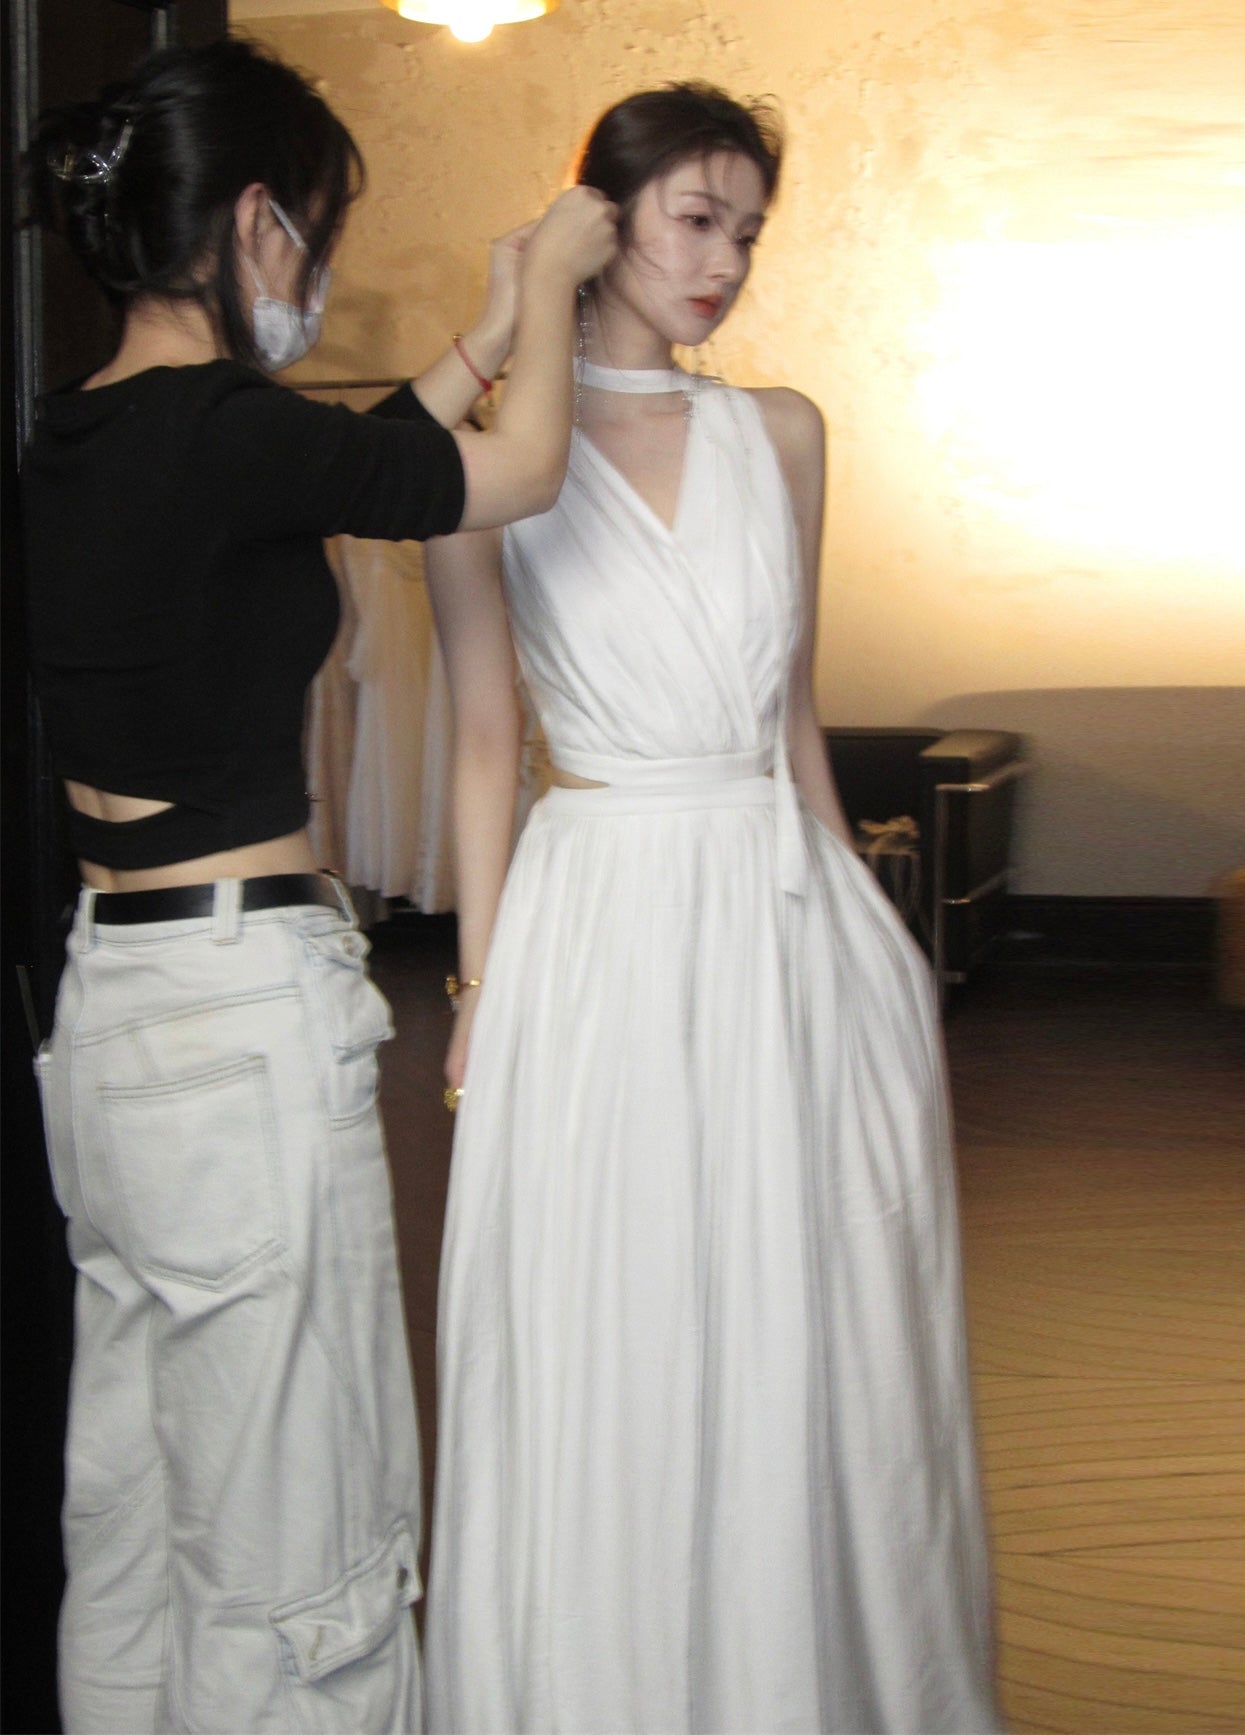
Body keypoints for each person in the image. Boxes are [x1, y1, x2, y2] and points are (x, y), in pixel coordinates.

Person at [21, 36, 615, 1734]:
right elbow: (517, 474)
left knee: (133, 1512)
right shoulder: (226, 433)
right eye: (319, 234)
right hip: (235, 1018)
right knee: (299, 1540)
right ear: (257, 223)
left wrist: (479, 335)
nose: (321, 275)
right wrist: (552, 290)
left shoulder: (86, 434)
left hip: (114, 1005)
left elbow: (343, 463)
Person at [422, 83, 1001, 1733]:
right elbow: (482, 744)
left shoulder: (784, 434)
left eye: (747, 230)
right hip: (596, 922)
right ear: (601, 219)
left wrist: (877, 946)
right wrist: (478, 998)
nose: (726, 261)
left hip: (778, 917)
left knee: (802, 1319)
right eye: (694, 219)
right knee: (620, 1316)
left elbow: (791, 715)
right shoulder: (486, 466)